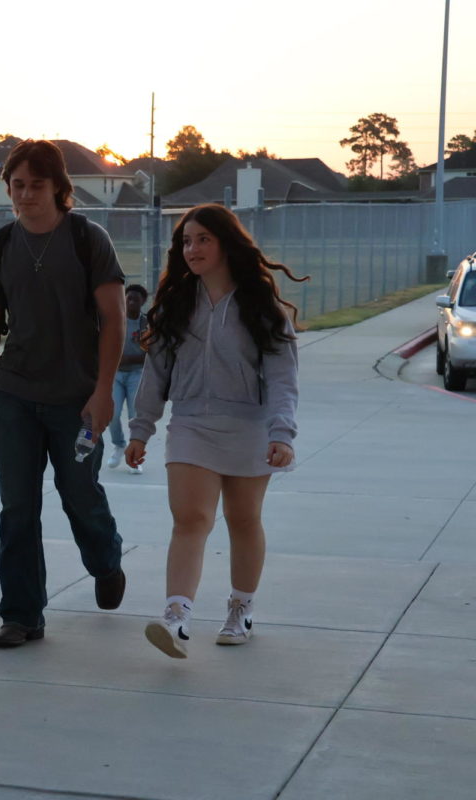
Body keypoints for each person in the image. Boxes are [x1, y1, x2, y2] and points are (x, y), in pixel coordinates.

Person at [126, 203, 304, 659]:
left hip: (249, 427)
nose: (192, 248)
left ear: (226, 243)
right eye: (186, 241)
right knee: (190, 519)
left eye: (203, 239)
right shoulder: (175, 307)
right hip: (190, 425)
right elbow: (154, 375)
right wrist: (141, 430)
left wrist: (281, 433)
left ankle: (240, 610)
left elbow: (283, 377)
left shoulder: (263, 308)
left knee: (243, 521)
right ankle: (175, 618)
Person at [0, 139, 127, 648]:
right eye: (18, 185)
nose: (26, 194)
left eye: (37, 185)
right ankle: (21, 615)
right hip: (17, 394)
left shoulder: (87, 238)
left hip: (77, 399)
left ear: (60, 188)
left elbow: (114, 318)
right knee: (17, 507)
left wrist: (104, 391)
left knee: (79, 494)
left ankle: (105, 560)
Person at [105, 284, 149, 474]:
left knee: (135, 415)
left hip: (137, 373)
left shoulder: (146, 324)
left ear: (142, 302)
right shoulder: (115, 320)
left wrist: (129, 358)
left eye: (135, 300)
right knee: (112, 414)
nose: (130, 302)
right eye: (128, 298)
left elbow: (151, 353)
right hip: (115, 373)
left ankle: (135, 456)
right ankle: (119, 445)